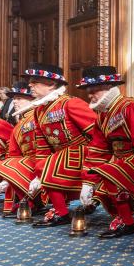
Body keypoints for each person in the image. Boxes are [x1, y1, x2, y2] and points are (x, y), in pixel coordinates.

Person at [76, 66, 134, 238]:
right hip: (122, 164)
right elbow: (97, 150)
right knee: (104, 182)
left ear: (108, 88)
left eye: (93, 91)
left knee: (110, 173)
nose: (89, 96)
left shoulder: (132, 107)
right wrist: (88, 182)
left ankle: (127, 223)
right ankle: (123, 217)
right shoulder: (103, 116)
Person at [23, 63, 110, 227]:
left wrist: (96, 160)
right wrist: (37, 173)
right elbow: (42, 145)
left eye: (35, 81)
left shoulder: (71, 103)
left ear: (51, 84)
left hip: (84, 152)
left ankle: (64, 211)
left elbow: (97, 133)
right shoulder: (38, 111)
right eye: (30, 81)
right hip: (61, 156)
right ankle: (61, 211)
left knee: (50, 166)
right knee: (43, 166)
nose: (30, 85)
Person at [0, 82, 41, 217]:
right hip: (28, 162)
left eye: (19, 98)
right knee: (9, 165)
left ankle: (31, 202)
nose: (15, 102)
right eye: (14, 99)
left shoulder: (39, 115)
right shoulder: (19, 124)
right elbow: (13, 152)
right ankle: (27, 202)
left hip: (42, 161)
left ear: (32, 99)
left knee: (13, 165)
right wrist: (6, 178)